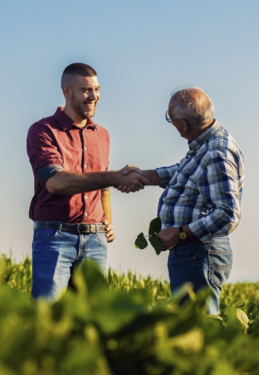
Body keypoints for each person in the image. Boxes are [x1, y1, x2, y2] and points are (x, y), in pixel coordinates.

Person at [27, 62, 149, 300]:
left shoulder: (102, 135)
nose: (94, 96)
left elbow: (101, 186)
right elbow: (55, 182)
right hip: (54, 239)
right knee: (47, 319)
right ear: (67, 92)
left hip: (95, 242)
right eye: (86, 90)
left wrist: (107, 222)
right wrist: (115, 177)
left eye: (97, 89)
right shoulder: (43, 130)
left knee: (91, 322)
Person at [118, 87, 245, 314]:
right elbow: (182, 172)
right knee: (189, 323)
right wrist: (144, 176)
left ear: (183, 124)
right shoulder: (205, 145)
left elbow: (227, 214)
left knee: (196, 327)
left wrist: (180, 232)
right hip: (194, 252)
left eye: (171, 119)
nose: (172, 124)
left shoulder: (217, 152)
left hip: (199, 252)